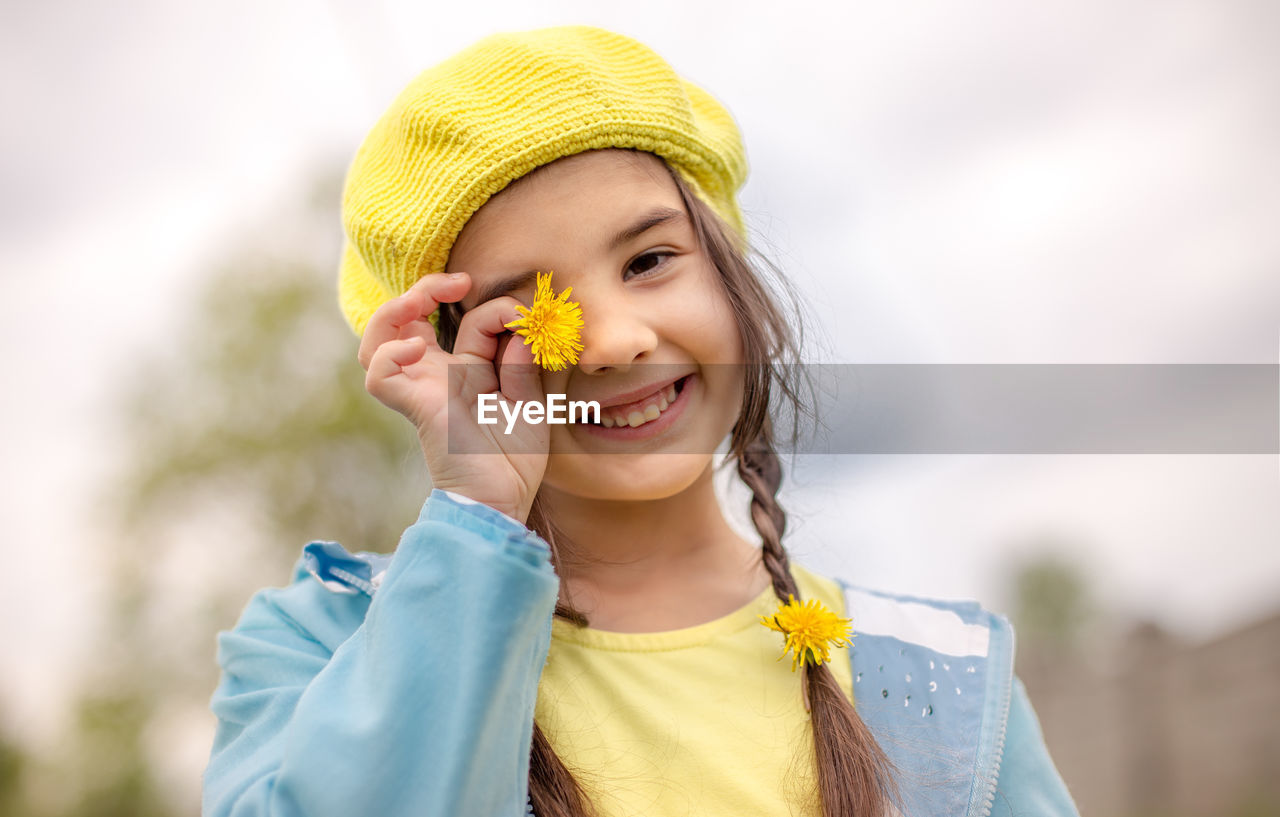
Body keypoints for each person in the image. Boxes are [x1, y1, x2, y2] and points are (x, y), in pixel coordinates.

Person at [202, 25, 1079, 817]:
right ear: (442, 361)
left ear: (731, 277)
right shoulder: (316, 647)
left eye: (650, 259)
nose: (617, 341)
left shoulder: (946, 686)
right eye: (527, 309)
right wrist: (476, 522)